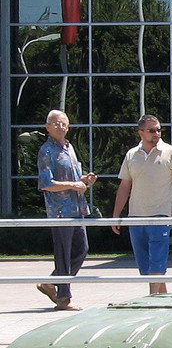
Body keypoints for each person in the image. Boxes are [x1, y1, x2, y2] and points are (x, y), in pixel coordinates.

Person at [111, 115, 172, 294]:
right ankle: (163, 299)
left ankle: (152, 300)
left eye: (159, 130)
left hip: (160, 216)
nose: (157, 133)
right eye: (152, 130)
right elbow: (124, 186)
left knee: (157, 262)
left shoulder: (170, 152)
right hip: (136, 217)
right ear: (140, 133)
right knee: (146, 266)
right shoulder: (132, 155)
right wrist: (116, 215)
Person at [36, 109, 96, 311]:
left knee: (82, 249)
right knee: (63, 254)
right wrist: (73, 185)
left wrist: (84, 180)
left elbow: (74, 179)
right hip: (60, 211)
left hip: (76, 208)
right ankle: (64, 298)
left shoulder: (69, 148)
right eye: (56, 123)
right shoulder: (46, 151)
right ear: (48, 127)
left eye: (64, 123)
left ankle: (51, 282)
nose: (60, 127)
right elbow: (46, 183)